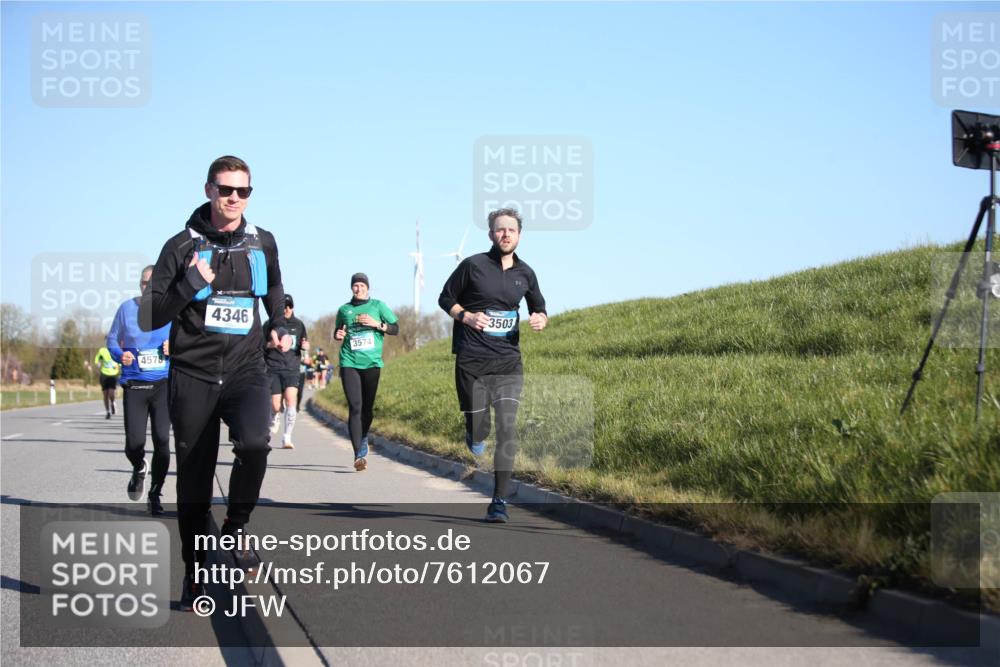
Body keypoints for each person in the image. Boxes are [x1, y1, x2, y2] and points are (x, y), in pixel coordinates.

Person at [140, 155, 290, 611]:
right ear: (208, 190)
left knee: (255, 443)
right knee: (194, 482)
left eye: (243, 191)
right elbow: (150, 316)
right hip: (194, 374)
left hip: (246, 369)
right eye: (226, 190)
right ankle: (195, 572)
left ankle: (236, 527)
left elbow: (275, 288)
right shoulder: (180, 247)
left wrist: (278, 323)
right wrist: (187, 285)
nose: (234, 198)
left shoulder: (262, 242)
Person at [438, 208, 547, 523]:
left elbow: (539, 307)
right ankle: (474, 433)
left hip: (508, 362)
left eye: (511, 229)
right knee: (480, 426)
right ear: (490, 234)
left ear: (519, 235)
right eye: (500, 229)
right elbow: (445, 298)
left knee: (507, 429)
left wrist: (541, 318)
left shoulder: (526, 273)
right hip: (472, 360)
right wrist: (466, 316)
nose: (506, 234)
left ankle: (499, 501)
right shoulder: (472, 266)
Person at [107, 265, 171, 515]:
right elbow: (112, 339)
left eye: (154, 283)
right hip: (135, 384)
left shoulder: (171, 310)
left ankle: (155, 493)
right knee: (134, 444)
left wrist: (174, 346)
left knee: (162, 439)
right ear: (140, 285)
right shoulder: (126, 309)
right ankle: (139, 467)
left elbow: (188, 338)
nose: (149, 287)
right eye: (145, 283)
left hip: (163, 383)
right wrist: (118, 354)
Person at [334, 273, 399, 471]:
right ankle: (358, 455)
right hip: (349, 362)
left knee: (367, 409)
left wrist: (376, 324)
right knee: (355, 407)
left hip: (371, 363)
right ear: (351, 288)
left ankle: (363, 436)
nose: (359, 288)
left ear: (368, 288)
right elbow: (338, 331)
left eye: (362, 285)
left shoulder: (378, 306)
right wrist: (338, 334)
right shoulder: (344, 309)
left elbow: (395, 328)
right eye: (355, 285)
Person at [264, 293, 309, 449]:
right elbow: (261, 345)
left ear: (293, 307)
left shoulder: (299, 325)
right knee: (275, 405)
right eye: (284, 307)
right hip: (273, 367)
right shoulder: (269, 324)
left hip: (292, 368)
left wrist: (305, 346)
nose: (286, 310)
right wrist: (273, 344)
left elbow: (304, 343)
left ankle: (287, 437)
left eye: (289, 306)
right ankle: (274, 416)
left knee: (291, 400)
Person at [94, 346, 121, 418]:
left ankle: (112, 402)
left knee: (111, 393)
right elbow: (97, 359)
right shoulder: (102, 350)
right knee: (105, 394)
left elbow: (120, 361)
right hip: (104, 374)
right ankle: (108, 412)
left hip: (113, 374)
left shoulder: (116, 349)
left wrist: (118, 366)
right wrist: (98, 364)